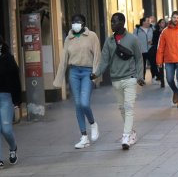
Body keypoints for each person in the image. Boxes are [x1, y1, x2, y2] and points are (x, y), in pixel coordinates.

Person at [90, 13, 144, 150]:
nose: (112, 24)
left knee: (129, 107)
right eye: (111, 22)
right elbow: (104, 61)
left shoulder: (132, 39)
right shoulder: (109, 41)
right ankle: (131, 132)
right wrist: (96, 74)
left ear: (122, 23)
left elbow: (139, 58)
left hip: (130, 78)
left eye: (114, 22)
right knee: (122, 108)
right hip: (116, 79)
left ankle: (125, 136)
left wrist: (140, 76)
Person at [53, 14, 101, 149]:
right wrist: (58, 80)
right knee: (78, 104)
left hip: (87, 72)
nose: (75, 24)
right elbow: (63, 59)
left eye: (78, 21)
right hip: (73, 72)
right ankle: (84, 137)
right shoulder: (69, 38)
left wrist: (95, 74)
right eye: (73, 21)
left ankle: (93, 124)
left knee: (85, 103)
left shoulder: (92, 36)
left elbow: (97, 55)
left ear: (84, 23)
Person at [0, 35, 21, 168]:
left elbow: (15, 80)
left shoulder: (8, 59)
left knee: (6, 129)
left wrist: (17, 100)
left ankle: (13, 148)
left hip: (5, 97)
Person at [133, 17, 155, 84]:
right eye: (147, 20)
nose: (149, 22)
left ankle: (154, 78)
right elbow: (134, 39)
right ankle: (142, 78)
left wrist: (153, 41)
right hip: (141, 50)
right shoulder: (137, 30)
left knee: (153, 64)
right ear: (143, 22)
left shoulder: (152, 28)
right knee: (142, 65)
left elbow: (156, 37)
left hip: (150, 49)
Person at [148, 19, 167, 88]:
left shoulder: (167, 31)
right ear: (159, 24)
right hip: (159, 50)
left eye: (164, 22)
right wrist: (151, 42)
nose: (163, 24)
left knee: (167, 66)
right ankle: (162, 81)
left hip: (167, 50)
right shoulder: (155, 32)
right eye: (162, 22)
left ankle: (166, 78)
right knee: (160, 65)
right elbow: (154, 41)